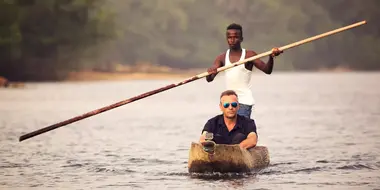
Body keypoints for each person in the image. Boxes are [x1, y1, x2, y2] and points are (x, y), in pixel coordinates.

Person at [206, 23, 283, 119]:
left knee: (239, 132)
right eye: (229, 37)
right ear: (227, 39)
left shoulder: (249, 55)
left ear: (241, 39)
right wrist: (210, 71)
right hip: (229, 103)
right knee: (231, 132)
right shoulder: (221, 58)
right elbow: (209, 79)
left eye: (235, 37)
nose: (232, 40)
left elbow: (267, 70)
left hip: (244, 102)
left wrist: (271, 57)